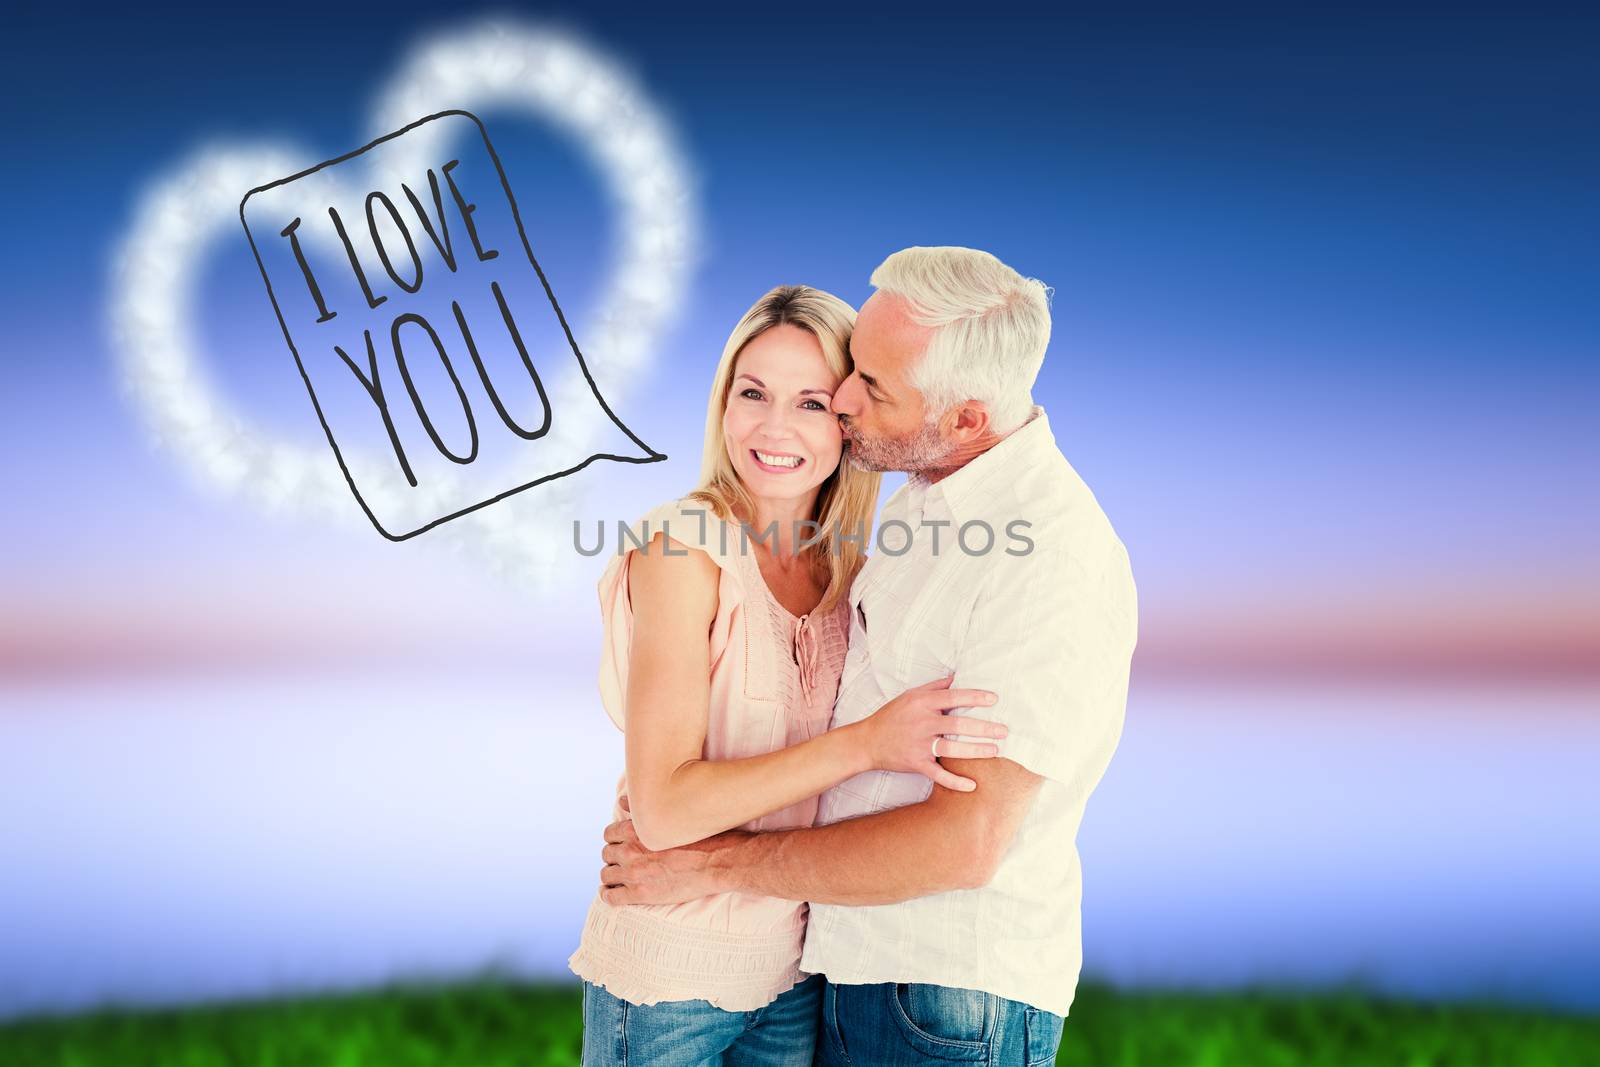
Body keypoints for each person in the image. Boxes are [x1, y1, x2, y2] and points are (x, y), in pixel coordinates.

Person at [597, 248, 1139, 1066]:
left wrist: (709, 865)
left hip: (939, 989)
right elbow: (672, 798)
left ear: (964, 419)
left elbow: (966, 839)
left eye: (851, 390)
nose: (844, 404)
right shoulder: (915, 515)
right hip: (811, 969)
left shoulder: (1044, 554)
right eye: (753, 393)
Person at [568, 283, 1010, 1066]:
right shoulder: (681, 547)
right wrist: (869, 743)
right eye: (753, 393)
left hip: (800, 973)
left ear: (848, 420)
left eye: (809, 403)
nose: (774, 427)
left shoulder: (856, 575)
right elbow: (665, 810)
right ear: (723, 404)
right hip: (671, 972)